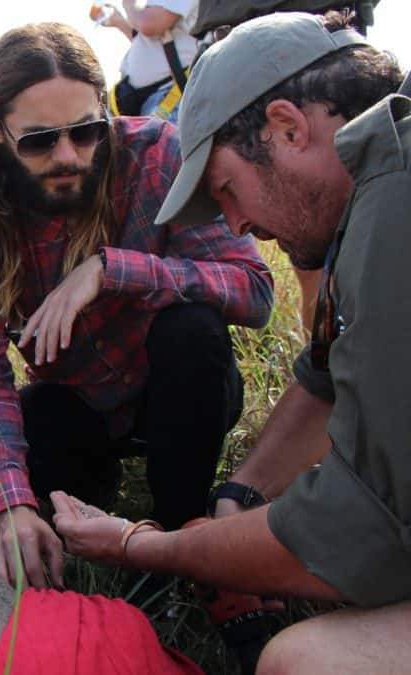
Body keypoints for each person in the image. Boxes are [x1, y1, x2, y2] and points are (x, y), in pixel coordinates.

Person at [53, 13, 410, 673]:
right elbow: (328, 373)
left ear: (287, 127)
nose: (240, 222)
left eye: (227, 190)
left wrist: (141, 545)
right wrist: (240, 498)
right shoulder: (380, 178)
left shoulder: (394, 215)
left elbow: (365, 534)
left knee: (301, 662)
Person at [0, 22, 273, 590]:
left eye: (87, 130)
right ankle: (85, 524)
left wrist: (112, 269)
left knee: (192, 330)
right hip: (80, 406)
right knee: (33, 420)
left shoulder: (157, 156)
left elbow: (254, 291)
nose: (69, 155)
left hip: (180, 393)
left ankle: (181, 538)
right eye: (41, 140)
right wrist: (10, 505)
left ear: (104, 107)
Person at [101, 0, 199, 123]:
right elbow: (154, 44)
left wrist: (129, 4)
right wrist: (120, 22)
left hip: (167, 98)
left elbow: (149, 24)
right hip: (145, 98)